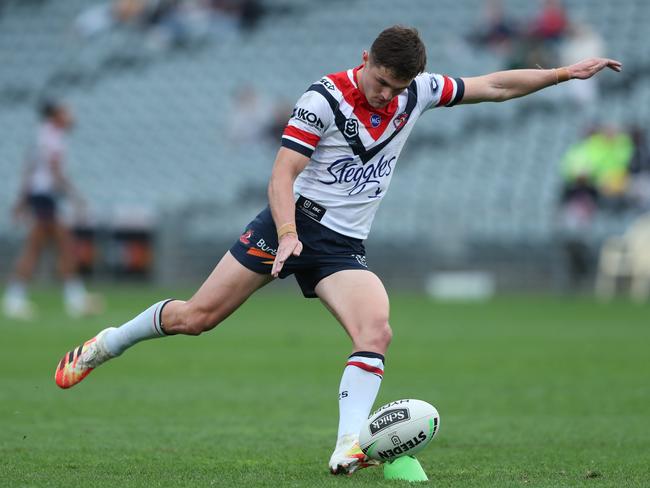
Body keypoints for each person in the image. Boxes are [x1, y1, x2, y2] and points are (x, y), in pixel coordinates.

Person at [53, 26, 621, 475]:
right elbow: (281, 175)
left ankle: (348, 445)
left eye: (400, 87)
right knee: (196, 318)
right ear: (365, 59)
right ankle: (107, 344)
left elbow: (493, 85)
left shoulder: (416, 93)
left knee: (376, 331)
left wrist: (563, 73)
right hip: (288, 224)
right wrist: (289, 231)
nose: (389, 95)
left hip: (341, 247)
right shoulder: (324, 98)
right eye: (383, 82)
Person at [3, 101, 100, 319]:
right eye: (66, 112)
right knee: (58, 245)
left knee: (42, 246)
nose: (71, 116)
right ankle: (72, 298)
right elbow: (54, 171)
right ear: (56, 115)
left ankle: (17, 297)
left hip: (41, 196)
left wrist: (22, 200)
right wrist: (76, 196)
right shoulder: (52, 136)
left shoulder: (42, 134)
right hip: (45, 197)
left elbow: (30, 168)